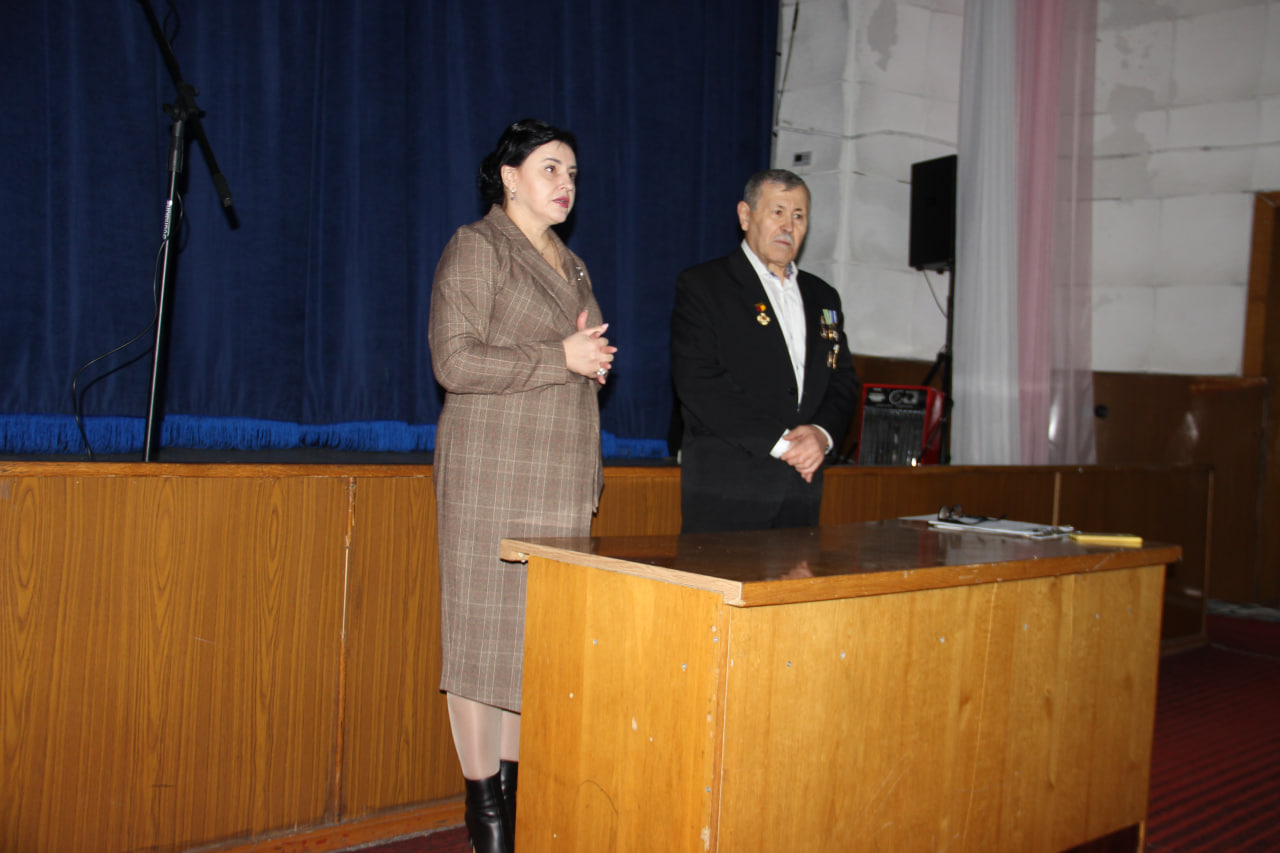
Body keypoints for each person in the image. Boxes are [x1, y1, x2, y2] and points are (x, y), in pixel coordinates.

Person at [428, 118, 615, 853]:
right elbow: (454, 362)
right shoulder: (477, 247)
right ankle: (487, 815)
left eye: (573, 173)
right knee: (481, 645)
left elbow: (579, 361)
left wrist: (588, 366)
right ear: (509, 177)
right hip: (492, 475)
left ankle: (514, 800)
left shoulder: (573, 265)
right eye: (550, 168)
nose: (566, 184)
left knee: (527, 652)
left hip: (559, 481)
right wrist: (560, 356)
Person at [670, 169, 859, 534]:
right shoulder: (705, 286)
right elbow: (697, 381)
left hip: (802, 489)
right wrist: (783, 445)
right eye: (778, 212)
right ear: (745, 216)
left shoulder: (823, 296)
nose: (788, 226)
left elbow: (843, 379)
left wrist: (821, 435)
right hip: (727, 491)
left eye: (799, 216)